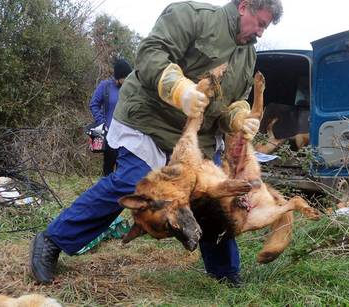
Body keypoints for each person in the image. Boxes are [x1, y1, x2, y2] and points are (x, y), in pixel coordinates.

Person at [30, 0, 283, 287]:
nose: (261, 32)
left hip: (194, 138)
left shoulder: (248, 54)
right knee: (135, 183)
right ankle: (53, 240)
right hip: (149, 123)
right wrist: (179, 89)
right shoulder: (191, 16)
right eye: (260, 23)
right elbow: (150, 56)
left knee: (212, 199)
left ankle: (225, 272)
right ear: (243, 6)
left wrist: (238, 118)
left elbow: (231, 104)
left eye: (265, 26)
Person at [89, 59, 133, 176]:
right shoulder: (105, 86)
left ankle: (120, 193)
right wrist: (102, 122)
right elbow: (94, 104)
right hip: (109, 136)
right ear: (118, 77)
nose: (128, 80)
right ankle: (105, 192)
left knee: (123, 171)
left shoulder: (131, 88)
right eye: (126, 77)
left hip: (126, 136)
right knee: (108, 169)